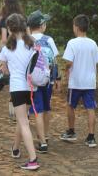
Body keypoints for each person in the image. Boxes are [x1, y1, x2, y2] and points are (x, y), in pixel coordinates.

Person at [0, 13, 40, 170]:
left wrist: (7, 69)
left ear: (9, 28)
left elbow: (4, 70)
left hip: (16, 88)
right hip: (31, 88)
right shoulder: (32, 44)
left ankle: (33, 159)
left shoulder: (7, 48)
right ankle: (15, 148)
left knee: (23, 122)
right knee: (23, 120)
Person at [60, 14, 98, 148]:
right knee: (90, 108)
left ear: (76, 27)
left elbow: (69, 62)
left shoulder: (72, 43)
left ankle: (72, 131)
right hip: (90, 82)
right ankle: (91, 137)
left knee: (70, 105)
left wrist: (66, 69)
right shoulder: (93, 43)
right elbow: (97, 62)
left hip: (76, 81)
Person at [27, 10, 61, 153]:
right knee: (47, 108)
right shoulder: (48, 39)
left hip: (32, 82)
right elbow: (54, 60)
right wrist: (57, 78)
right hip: (48, 80)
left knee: (37, 110)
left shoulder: (26, 40)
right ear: (42, 25)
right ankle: (45, 136)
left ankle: (42, 142)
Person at [0, 0, 23, 120]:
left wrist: (2, 55)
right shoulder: (22, 17)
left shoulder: (4, 19)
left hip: (10, 50)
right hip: (23, 49)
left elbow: (3, 39)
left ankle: (13, 113)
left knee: (13, 81)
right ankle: (23, 112)